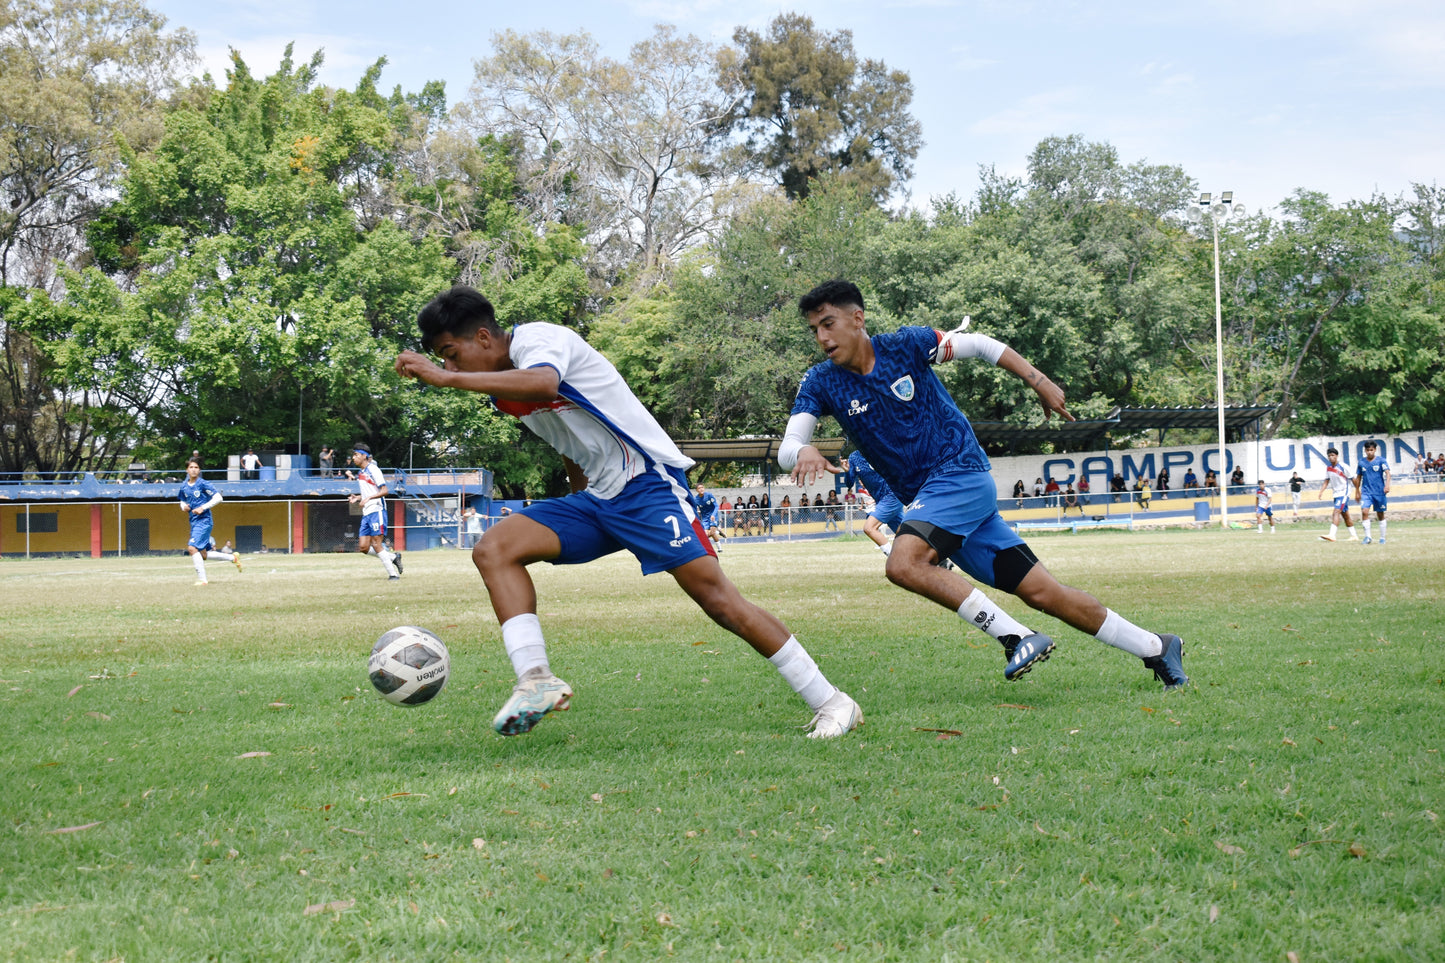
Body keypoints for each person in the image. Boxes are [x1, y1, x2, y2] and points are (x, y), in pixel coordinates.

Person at [395, 283, 860, 739]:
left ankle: (833, 702)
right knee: (493, 549)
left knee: (719, 601)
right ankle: (536, 679)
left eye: (450, 352)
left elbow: (545, 382)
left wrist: (449, 379)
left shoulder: (540, 341)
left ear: (482, 338)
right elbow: (567, 436)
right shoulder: (501, 390)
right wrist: (582, 493)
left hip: (646, 486)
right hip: (601, 499)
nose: (447, 364)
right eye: (442, 358)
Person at [781, 279, 1187, 690]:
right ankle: (1157, 646)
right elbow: (788, 445)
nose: (822, 337)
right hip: (939, 503)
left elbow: (980, 345)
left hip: (960, 473)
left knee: (903, 563)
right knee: (1046, 594)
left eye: (828, 323)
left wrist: (1038, 379)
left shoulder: (906, 345)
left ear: (857, 318)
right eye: (815, 329)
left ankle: (1016, 638)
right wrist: (802, 452)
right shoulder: (820, 382)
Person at [176, 459, 242, 585]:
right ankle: (232, 558)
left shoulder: (203, 484)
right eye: (191, 467)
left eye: (196, 467)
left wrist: (203, 507)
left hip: (204, 521)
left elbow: (218, 498)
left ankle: (203, 580)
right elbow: (182, 500)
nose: (194, 469)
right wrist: (183, 507)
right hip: (194, 522)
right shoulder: (184, 486)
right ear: (187, 470)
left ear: (199, 470)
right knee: (203, 555)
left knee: (192, 548)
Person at [347, 443, 403, 578]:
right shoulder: (361, 473)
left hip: (377, 510)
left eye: (356, 455)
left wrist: (368, 499)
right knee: (363, 547)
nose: (353, 457)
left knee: (377, 544)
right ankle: (393, 557)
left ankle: (393, 575)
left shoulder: (374, 469)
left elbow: (384, 491)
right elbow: (369, 492)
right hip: (366, 513)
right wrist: (358, 497)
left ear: (364, 456)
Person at [850, 450, 903, 557]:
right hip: (881, 500)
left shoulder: (879, 448)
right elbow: (849, 482)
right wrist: (847, 471)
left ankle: (895, 559)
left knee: (869, 528)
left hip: (892, 495)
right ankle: (940, 558)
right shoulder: (854, 457)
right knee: (907, 533)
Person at [1317, 446, 1358, 542]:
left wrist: (1358, 491)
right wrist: (1321, 492)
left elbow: (1353, 479)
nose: (1331, 457)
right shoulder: (1329, 468)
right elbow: (1326, 481)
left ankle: (1332, 535)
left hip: (1344, 493)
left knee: (1336, 512)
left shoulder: (1344, 467)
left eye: (1333, 455)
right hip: (1336, 494)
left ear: (1337, 456)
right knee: (1345, 515)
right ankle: (1354, 535)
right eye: (1329, 456)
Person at [1354, 440, 1391, 544]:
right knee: (1364, 511)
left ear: (1375, 450)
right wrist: (1357, 491)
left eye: (1372, 450)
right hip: (1366, 492)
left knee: (1380, 514)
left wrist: (1387, 485)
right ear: (1365, 451)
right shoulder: (1361, 462)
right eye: (1367, 450)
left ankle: (1382, 538)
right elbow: (1358, 477)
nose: (1370, 452)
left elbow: (1388, 473)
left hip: (1379, 492)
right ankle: (1368, 537)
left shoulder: (1381, 461)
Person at [693, 482, 724, 552]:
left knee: (712, 533)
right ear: (697, 490)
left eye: (702, 487)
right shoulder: (696, 500)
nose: (701, 489)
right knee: (705, 535)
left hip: (713, 516)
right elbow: (694, 510)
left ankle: (720, 549)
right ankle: (718, 532)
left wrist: (713, 515)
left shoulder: (709, 495)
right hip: (704, 518)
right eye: (699, 488)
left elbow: (716, 506)